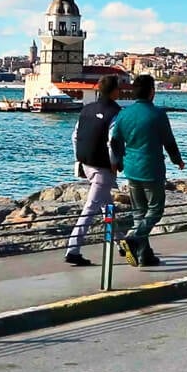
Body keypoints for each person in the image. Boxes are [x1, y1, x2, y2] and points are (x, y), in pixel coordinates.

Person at [108, 75, 183, 267]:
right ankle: (133, 238)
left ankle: (144, 256)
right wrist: (177, 161)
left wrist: (120, 161)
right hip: (152, 169)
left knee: (139, 212)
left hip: (131, 168)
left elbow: (114, 140)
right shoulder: (157, 114)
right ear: (152, 92)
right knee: (156, 210)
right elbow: (169, 141)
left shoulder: (124, 113)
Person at [64, 75, 122, 267]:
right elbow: (112, 141)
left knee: (107, 206)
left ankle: (122, 243)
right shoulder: (116, 112)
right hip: (103, 167)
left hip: (86, 164)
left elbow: (75, 136)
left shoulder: (86, 109)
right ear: (115, 91)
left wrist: (78, 159)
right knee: (91, 207)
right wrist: (115, 163)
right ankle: (73, 249)